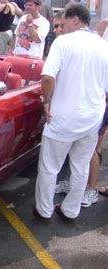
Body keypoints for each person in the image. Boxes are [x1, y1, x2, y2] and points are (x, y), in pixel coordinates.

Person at [34, 3, 108, 221]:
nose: (61, 27)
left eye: (64, 23)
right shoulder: (103, 45)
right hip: (91, 117)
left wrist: (46, 102)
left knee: (49, 167)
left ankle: (44, 210)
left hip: (62, 117)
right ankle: (71, 210)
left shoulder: (63, 42)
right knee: (80, 166)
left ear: (75, 20)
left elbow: (47, 77)